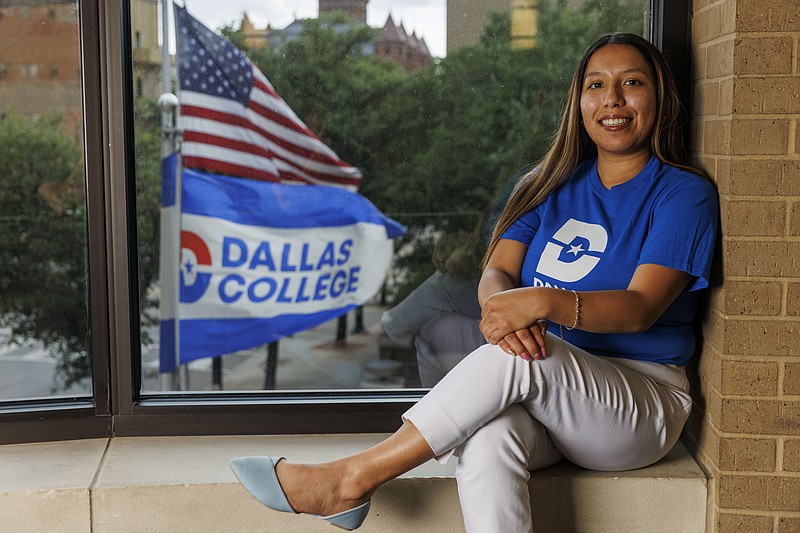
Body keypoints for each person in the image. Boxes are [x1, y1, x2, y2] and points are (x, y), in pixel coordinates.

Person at [229, 32, 719, 532]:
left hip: (639, 401)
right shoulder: (547, 183)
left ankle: (354, 477)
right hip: (547, 392)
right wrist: (502, 314)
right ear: (579, 101)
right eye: (596, 85)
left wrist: (539, 304)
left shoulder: (682, 193)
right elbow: (496, 273)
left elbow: (640, 307)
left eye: (631, 82)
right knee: (488, 436)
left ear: (659, 96)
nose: (612, 99)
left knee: (521, 361)